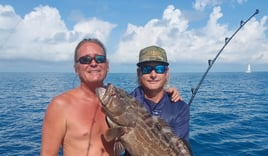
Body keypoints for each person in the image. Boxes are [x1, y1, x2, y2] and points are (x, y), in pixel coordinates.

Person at [41, 38, 182, 156]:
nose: (94, 63)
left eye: (100, 59)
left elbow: (144, 113)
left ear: (107, 66)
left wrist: (168, 92)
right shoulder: (60, 105)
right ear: (76, 68)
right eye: (85, 59)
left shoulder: (116, 102)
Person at [130, 45, 190, 141]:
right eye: (146, 69)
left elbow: (181, 148)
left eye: (160, 69)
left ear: (166, 73)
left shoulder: (180, 108)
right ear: (139, 73)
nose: (153, 75)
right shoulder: (127, 103)